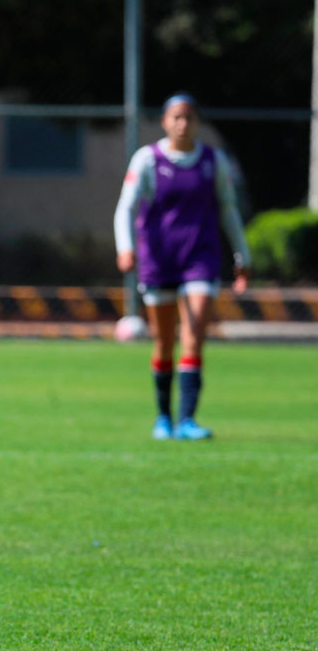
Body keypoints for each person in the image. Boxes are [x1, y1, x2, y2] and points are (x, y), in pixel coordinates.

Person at [114, 92, 251, 441]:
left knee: (194, 334)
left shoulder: (213, 161)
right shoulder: (148, 159)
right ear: (164, 122)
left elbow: (228, 209)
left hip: (200, 258)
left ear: (197, 122)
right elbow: (126, 206)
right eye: (176, 117)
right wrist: (125, 247)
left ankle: (187, 420)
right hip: (159, 259)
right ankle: (164, 418)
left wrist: (242, 255)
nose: (182, 123)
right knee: (163, 341)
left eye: (189, 117)